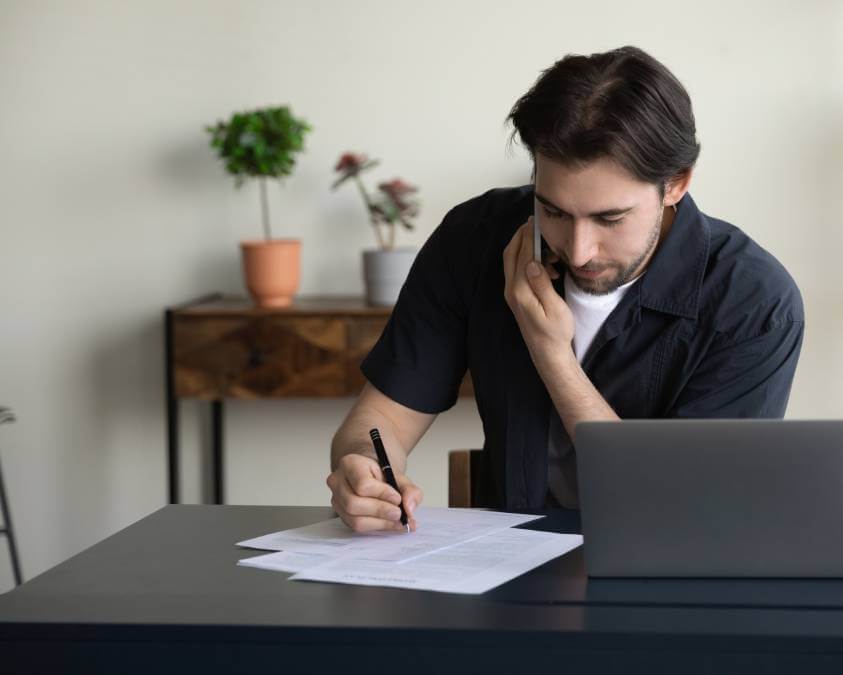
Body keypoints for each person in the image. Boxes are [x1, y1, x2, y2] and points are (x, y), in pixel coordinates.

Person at [326, 45, 804, 532]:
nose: (578, 251)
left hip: (670, 577)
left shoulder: (753, 302)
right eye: (553, 210)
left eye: (609, 218)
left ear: (676, 184)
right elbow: (381, 417)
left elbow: (677, 505)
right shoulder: (473, 239)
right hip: (503, 567)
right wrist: (360, 467)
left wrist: (552, 354)